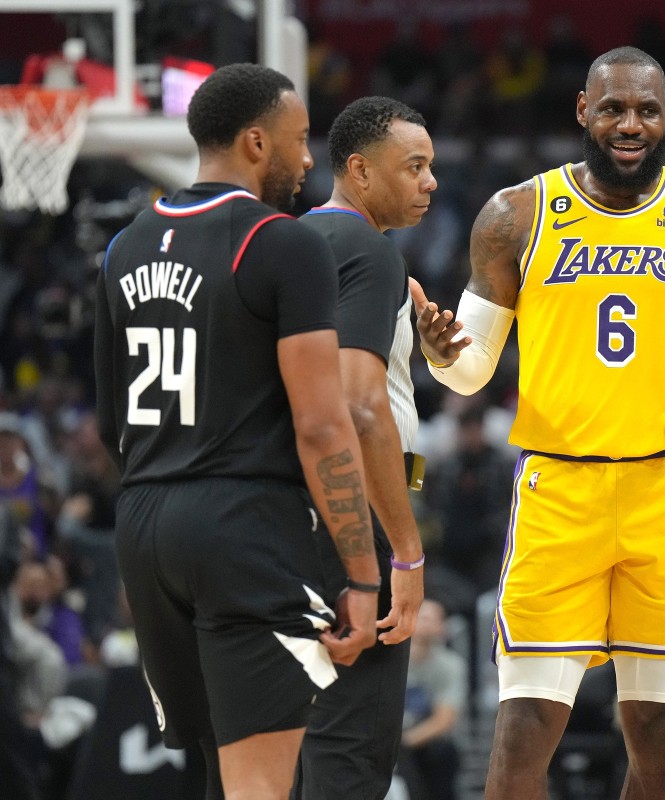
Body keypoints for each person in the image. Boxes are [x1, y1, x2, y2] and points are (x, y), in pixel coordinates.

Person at [413, 46, 665, 800]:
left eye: (647, 110)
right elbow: (470, 370)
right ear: (583, 110)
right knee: (522, 737)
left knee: (660, 749)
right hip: (561, 491)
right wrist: (442, 354)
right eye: (613, 107)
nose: (630, 124)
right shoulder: (515, 215)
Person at [93, 63, 378, 799]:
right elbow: (323, 425)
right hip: (242, 524)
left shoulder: (124, 247)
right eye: (300, 139)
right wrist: (362, 572)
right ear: (257, 142)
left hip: (146, 523)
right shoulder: (284, 243)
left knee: (217, 776)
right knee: (258, 785)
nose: (309, 159)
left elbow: (110, 423)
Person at [293, 95, 432, 800]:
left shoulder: (290, 242)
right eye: (414, 166)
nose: (430, 182)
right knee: (350, 752)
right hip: (355, 513)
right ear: (360, 170)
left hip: (279, 517)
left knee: (288, 752)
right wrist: (405, 552)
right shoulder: (371, 251)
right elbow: (359, 406)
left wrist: (416, 339)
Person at [397, 598, 469, 800]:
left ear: (442, 627)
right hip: (388, 737)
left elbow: (444, 720)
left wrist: (404, 742)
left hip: (422, 741)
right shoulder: (390, 661)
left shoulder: (451, 665)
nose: (426, 624)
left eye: (433, 619)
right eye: (422, 617)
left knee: (443, 752)